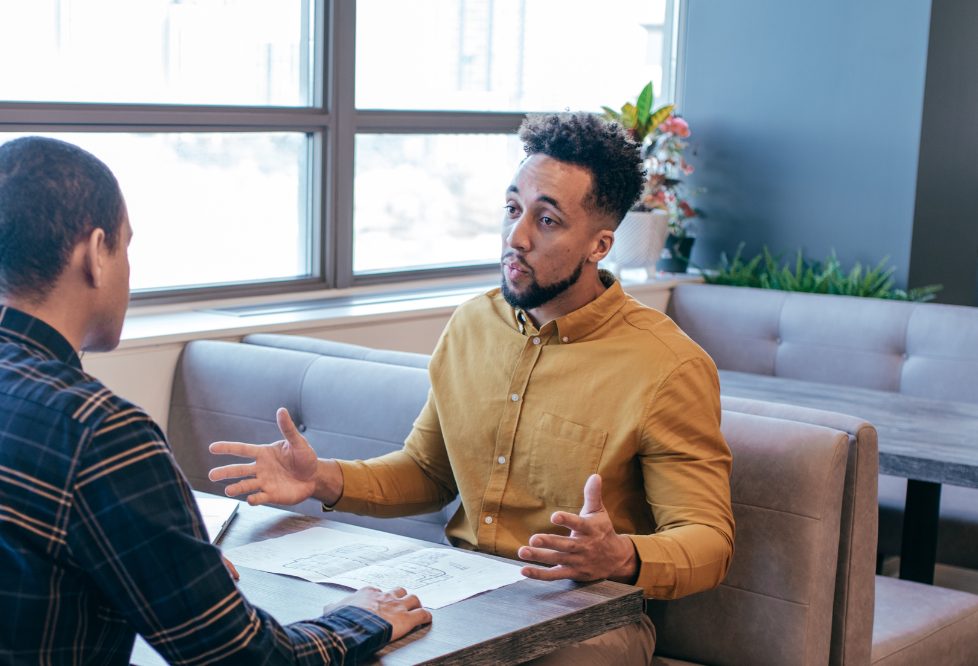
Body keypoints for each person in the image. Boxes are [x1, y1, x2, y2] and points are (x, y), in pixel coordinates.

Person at [0, 136, 430, 666]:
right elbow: (244, 659)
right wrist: (360, 616)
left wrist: (174, 573)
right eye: (128, 247)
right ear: (95, 252)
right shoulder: (99, 432)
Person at [208, 113, 735, 665]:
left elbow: (708, 540)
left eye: (547, 220)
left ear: (599, 244)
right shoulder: (471, 325)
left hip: (587, 617)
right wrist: (322, 478)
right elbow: (429, 472)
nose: (517, 236)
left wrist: (620, 554)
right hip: (460, 592)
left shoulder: (668, 365)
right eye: (512, 210)